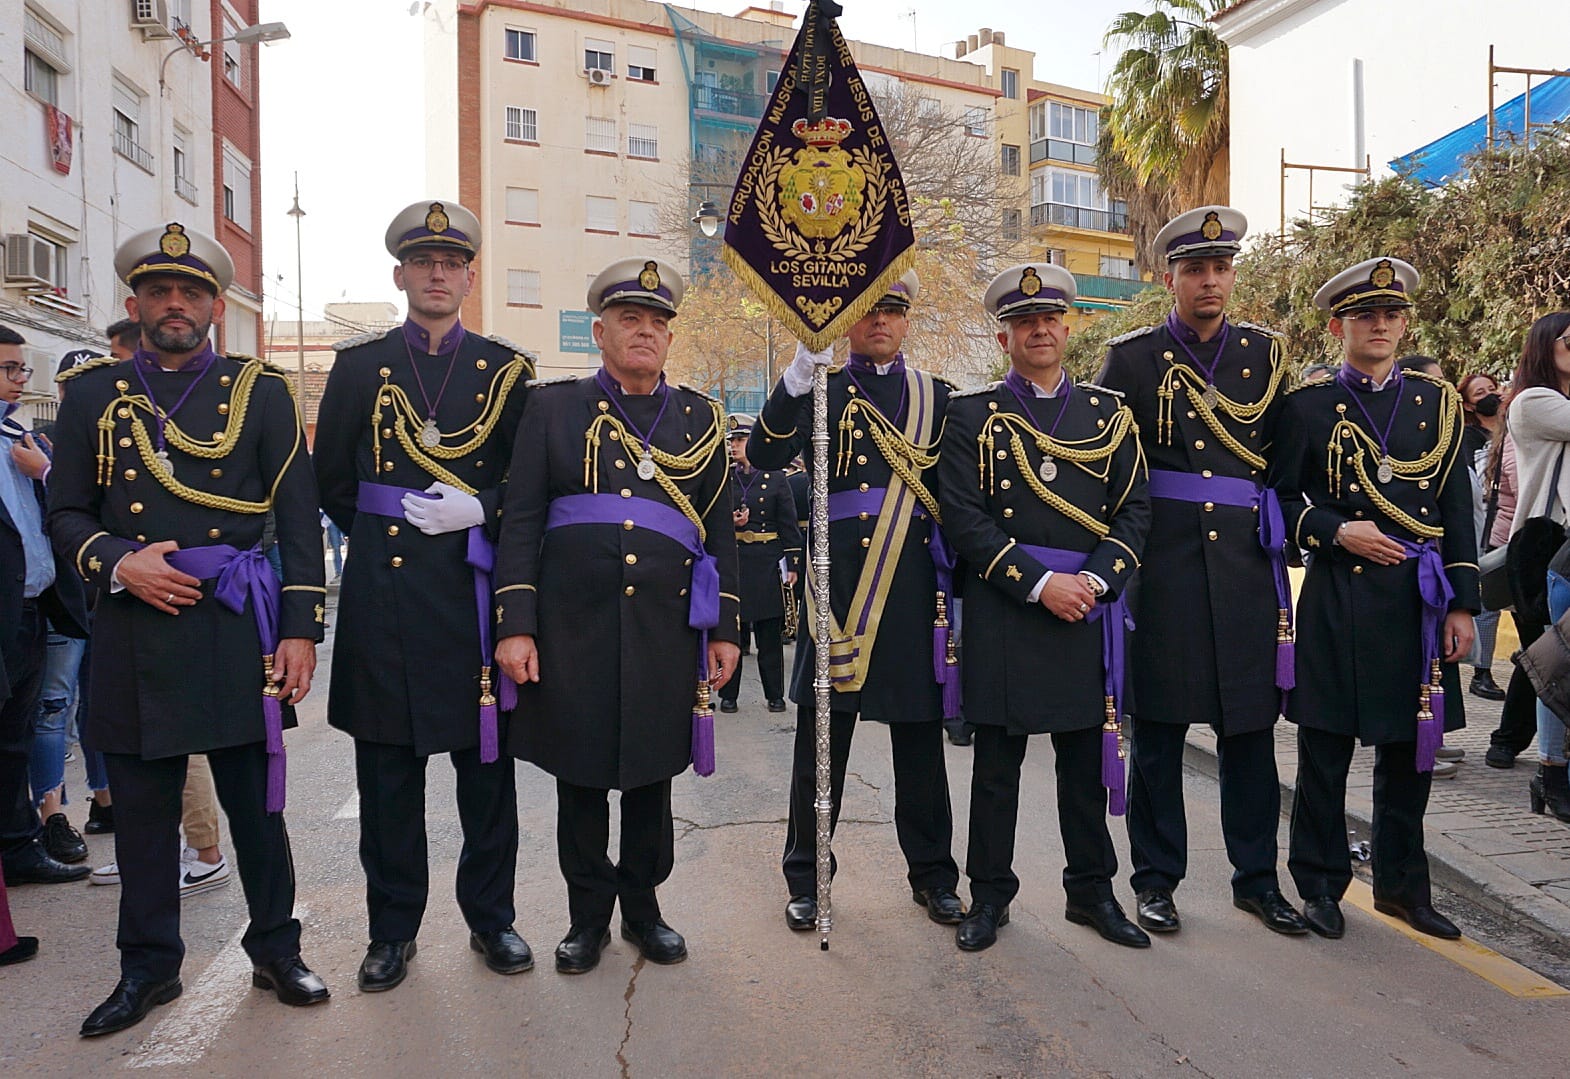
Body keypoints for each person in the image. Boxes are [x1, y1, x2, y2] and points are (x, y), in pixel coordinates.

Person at [48, 222, 331, 1035]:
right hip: (136, 622)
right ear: (134, 302)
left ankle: (277, 948)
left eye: (193, 292)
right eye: (160, 291)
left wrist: (301, 628)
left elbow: (299, 515)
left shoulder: (263, 391)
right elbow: (65, 509)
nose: (176, 304)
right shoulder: (94, 396)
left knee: (256, 807)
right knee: (140, 813)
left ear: (214, 305)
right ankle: (147, 967)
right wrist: (114, 559)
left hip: (237, 623)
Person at [494, 257, 740, 974]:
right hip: (574, 624)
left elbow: (719, 530)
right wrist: (516, 622)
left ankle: (644, 908)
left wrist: (724, 628)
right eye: (631, 320)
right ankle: (586, 919)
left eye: (659, 323)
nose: (646, 333)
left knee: (649, 775)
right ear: (599, 330)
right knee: (580, 775)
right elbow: (521, 519)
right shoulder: (553, 407)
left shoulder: (701, 416)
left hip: (664, 630)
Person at [314, 200, 537, 992]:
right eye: (423, 262)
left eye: (452, 263)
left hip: (473, 600)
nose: (438, 274)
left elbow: (531, 486)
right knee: (387, 780)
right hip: (386, 601)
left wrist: (483, 510)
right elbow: (334, 482)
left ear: (471, 277)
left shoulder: (507, 371)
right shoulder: (356, 365)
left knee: (487, 778)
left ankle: (492, 918)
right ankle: (391, 930)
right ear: (401, 274)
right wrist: (384, 537)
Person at [1096, 206, 1309, 937]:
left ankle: (1257, 880)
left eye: (1220, 268)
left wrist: (1283, 533)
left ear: (1232, 275)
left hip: (1245, 570)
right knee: (1156, 736)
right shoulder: (1130, 359)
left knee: (1249, 736)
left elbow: (1285, 461)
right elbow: (1109, 474)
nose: (1209, 281)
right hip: (1166, 571)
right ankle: (1155, 881)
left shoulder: (1266, 355)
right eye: (1195, 270)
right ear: (1169, 279)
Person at [940, 265, 1152, 952]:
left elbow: (1134, 510)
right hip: (1010, 608)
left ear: (1068, 327)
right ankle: (989, 897)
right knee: (996, 770)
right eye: (1024, 321)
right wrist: (1038, 584)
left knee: (1084, 768)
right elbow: (964, 520)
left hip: (1086, 611)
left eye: (1050, 319)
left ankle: (1091, 891)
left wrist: (1093, 582)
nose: (1039, 330)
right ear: (1005, 336)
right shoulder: (970, 415)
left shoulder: (1108, 414)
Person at [748, 271, 964, 932]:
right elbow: (761, 452)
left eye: (892, 311)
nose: (879, 323)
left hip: (907, 591)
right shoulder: (822, 391)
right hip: (836, 590)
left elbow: (955, 498)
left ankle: (931, 874)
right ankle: (808, 875)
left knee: (921, 747)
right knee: (821, 740)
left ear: (905, 322)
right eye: (868, 312)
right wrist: (793, 377)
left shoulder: (938, 399)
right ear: (846, 322)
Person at [1270, 256, 1478, 940]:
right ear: (1339, 326)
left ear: (1404, 323)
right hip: (1336, 594)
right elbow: (1275, 504)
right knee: (1324, 753)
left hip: (1414, 602)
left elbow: (1454, 507)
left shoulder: (1436, 403)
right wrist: (1337, 531)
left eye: (1391, 314)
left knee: (1407, 754)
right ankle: (1322, 885)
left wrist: (1461, 605)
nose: (1380, 324)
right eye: (1365, 315)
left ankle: (1401, 887)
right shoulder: (1305, 406)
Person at [1, 322, 90, 965]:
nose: (18, 382)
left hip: (34, 607)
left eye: (21, 371)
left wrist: (44, 471)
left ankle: (18, 845)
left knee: (20, 731)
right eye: (9, 370)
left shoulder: (20, 439)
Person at [1499, 312, 1570, 819]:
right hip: (1546, 547)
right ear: (1546, 346)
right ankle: (1550, 773)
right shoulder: (1534, 402)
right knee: (1554, 666)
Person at [717, 415, 800, 714]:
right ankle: (729, 694)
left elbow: (788, 523)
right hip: (735, 560)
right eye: (731, 441)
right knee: (733, 631)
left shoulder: (776, 477)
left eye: (739, 440)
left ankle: (775, 695)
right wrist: (731, 522)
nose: (733, 446)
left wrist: (792, 563)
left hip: (766, 560)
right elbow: (711, 520)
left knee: (768, 635)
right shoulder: (724, 476)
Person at [1458, 370, 1507, 700]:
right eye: (1480, 393)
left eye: (1492, 389)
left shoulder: (1514, 429)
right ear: (1468, 405)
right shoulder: (1469, 438)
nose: (1490, 395)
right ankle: (1482, 671)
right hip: (1487, 523)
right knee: (1489, 601)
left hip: (1514, 520)